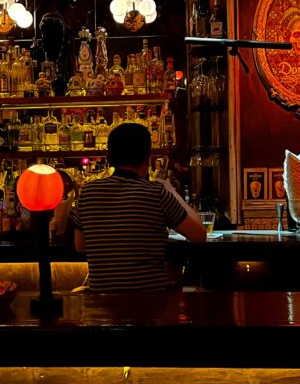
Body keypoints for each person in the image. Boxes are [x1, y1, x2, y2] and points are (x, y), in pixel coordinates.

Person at [72, 122, 206, 293]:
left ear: (109, 158)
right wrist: (173, 192)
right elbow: (199, 235)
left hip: (104, 305)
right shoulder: (156, 193)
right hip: (151, 305)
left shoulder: (88, 193)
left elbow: (80, 246)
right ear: (148, 158)